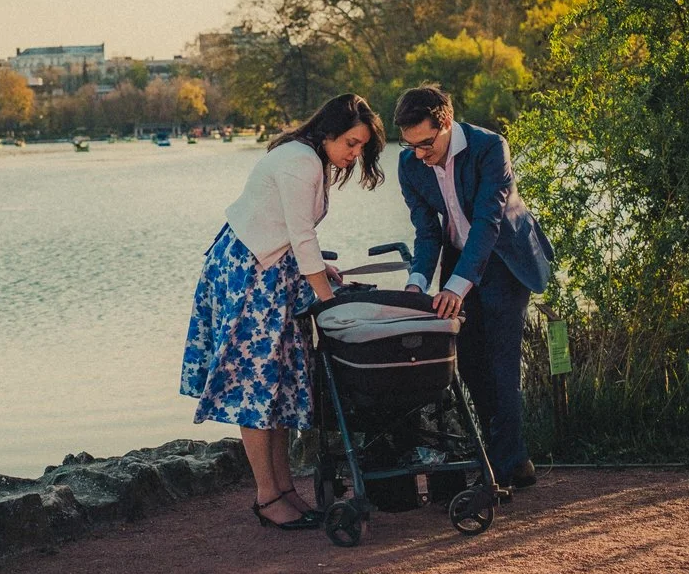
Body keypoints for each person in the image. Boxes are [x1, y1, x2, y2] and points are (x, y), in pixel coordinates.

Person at [180, 94, 386, 529]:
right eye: (351, 143)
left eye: (361, 147)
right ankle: (267, 495)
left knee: (277, 387)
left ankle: (285, 488)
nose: (354, 155)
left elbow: (291, 233)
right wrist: (327, 301)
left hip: (271, 270)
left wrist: (319, 272)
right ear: (328, 133)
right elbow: (300, 232)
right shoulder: (301, 161)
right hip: (249, 274)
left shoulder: (310, 159)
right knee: (254, 386)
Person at [394, 84, 554, 493]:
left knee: (503, 367)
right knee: (469, 365)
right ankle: (512, 459)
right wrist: (416, 284)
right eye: (410, 145)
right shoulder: (409, 164)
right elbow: (427, 232)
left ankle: (498, 473)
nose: (420, 154)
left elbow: (488, 223)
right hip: (457, 260)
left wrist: (457, 287)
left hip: (505, 261)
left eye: (426, 144)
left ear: (445, 123)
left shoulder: (489, 147)